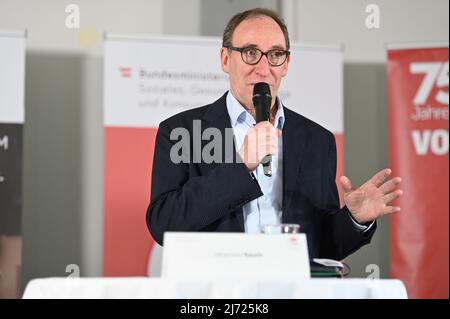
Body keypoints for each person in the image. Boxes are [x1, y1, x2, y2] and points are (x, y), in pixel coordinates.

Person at [146, 8, 403, 260]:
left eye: (276, 54)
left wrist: (353, 219)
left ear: (286, 64)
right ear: (225, 59)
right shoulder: (183, 131)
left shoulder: (317, 140)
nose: (263, 67)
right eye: (250, 53)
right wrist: (240, 166)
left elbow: (321, 247)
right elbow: (164, 225)